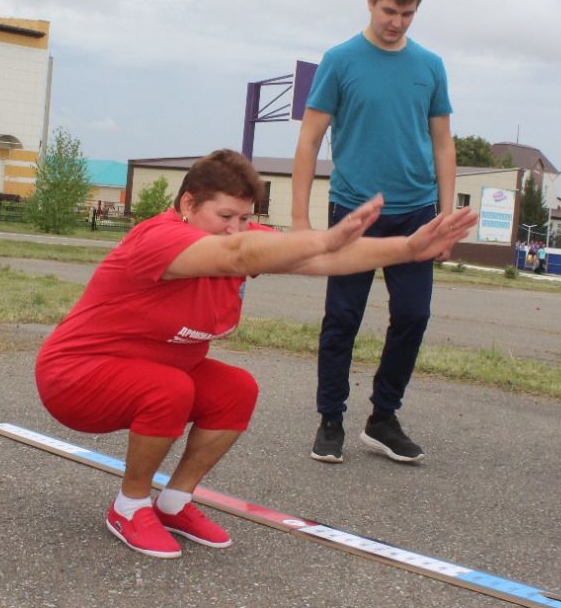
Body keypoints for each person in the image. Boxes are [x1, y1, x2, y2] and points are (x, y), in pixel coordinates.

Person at [35, 149, 476, 559]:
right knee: (170, 389)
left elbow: (320, 261)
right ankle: (129, 506)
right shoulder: (159, 239)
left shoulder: (238, 237)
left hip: (146, 373)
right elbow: (236, 253)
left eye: (244, 217)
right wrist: (323, 238)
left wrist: (407, 249)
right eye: (225, 215)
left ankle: (174, 502)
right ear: (188, 204)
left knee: (235, 389)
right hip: (74, 378)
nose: (235, 227)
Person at [291, 0, 457, 465]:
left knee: (413, 315)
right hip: (355, 211)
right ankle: (330, 419)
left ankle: (383, 417)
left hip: (416, 214)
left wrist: (446, 218)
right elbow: (310, 137)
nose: (398, 22)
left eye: (408, 13)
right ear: (370, 0)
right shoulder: (340, 60)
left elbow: (444, 143)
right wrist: (301, 222)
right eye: (390, 10)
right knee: (342, 317)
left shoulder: (430, 66)